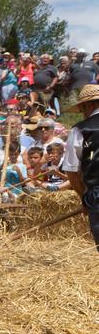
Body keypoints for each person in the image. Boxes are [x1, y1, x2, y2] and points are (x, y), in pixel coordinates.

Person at [60, 84, 99, 250]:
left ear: (89, 105)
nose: (83, 113)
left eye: (83, 109)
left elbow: (71, 170)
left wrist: (84, 196)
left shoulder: (81, 129)